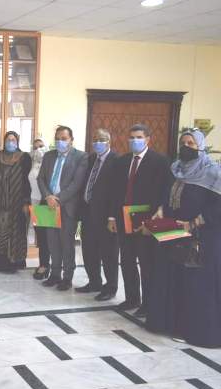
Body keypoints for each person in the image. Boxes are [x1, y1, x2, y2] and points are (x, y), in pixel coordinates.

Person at [146, 129, 221, 347]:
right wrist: (161, 209)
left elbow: (217, 207)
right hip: (173, 234)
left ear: (201, 146)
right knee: (172, 278)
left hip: (201, 238)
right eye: (183, 142)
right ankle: (169, 323)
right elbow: (166, 196)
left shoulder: (213, 172)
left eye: (191, 143)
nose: (186, 146)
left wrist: (194, 222)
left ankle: (193, 330)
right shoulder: (176, 169)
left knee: (195, 284)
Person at [107, 123, 172, 317]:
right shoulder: (122, 161)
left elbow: (165, 191)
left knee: (146, 263)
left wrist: (155, 217)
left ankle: (148, 303)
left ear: (148, 139)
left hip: (147, 221)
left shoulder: (160, 161)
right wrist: (112, 216)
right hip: (124, 218)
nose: (134, 141)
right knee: (127, 261)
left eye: (139, 137)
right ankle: (132, 298)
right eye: (132, 137)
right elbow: (115, 191)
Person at [37, 125, 88, 290]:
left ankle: (67, 277)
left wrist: (57, 199)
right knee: (52, 243)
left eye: (64, 139)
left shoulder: (81, 157)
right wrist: (48, 196)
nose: (60, 142)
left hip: (67, 206)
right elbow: (40, 179)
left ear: (71, 140)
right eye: (57, 139)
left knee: (66, 244)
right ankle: (55, 274)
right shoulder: (48, 156)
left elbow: (76, 184)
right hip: (48, 205)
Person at [76, 129, 119, 301]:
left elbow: (117, 192)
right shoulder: (91, 158)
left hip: (106, 216)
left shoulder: (116, 161)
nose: (97, 143)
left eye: (101, 139)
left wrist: (112, 217)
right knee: (89, 250)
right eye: (95, 139)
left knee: (108, 253)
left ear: (109, 141)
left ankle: (111, 287)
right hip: (88, 212)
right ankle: (94, 282)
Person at [0, 131, 32, 273]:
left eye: (13, 140)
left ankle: (14, 262)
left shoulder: (24, 158)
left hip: (17, 202)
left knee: (15, 231)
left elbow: (27, 181)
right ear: (4, 141)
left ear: (17, 142)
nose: (10, 142)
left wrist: (26, 201)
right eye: (8, 140)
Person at [29, 138, 51, 280]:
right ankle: (43, 264)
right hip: (35, 203)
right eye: (35, 147)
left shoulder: (50, 163)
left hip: (46, 202)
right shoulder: (32, 162)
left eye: (41, 146)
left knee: (48, 237)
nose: (38, 150)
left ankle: (47, 266)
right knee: (41, 237)